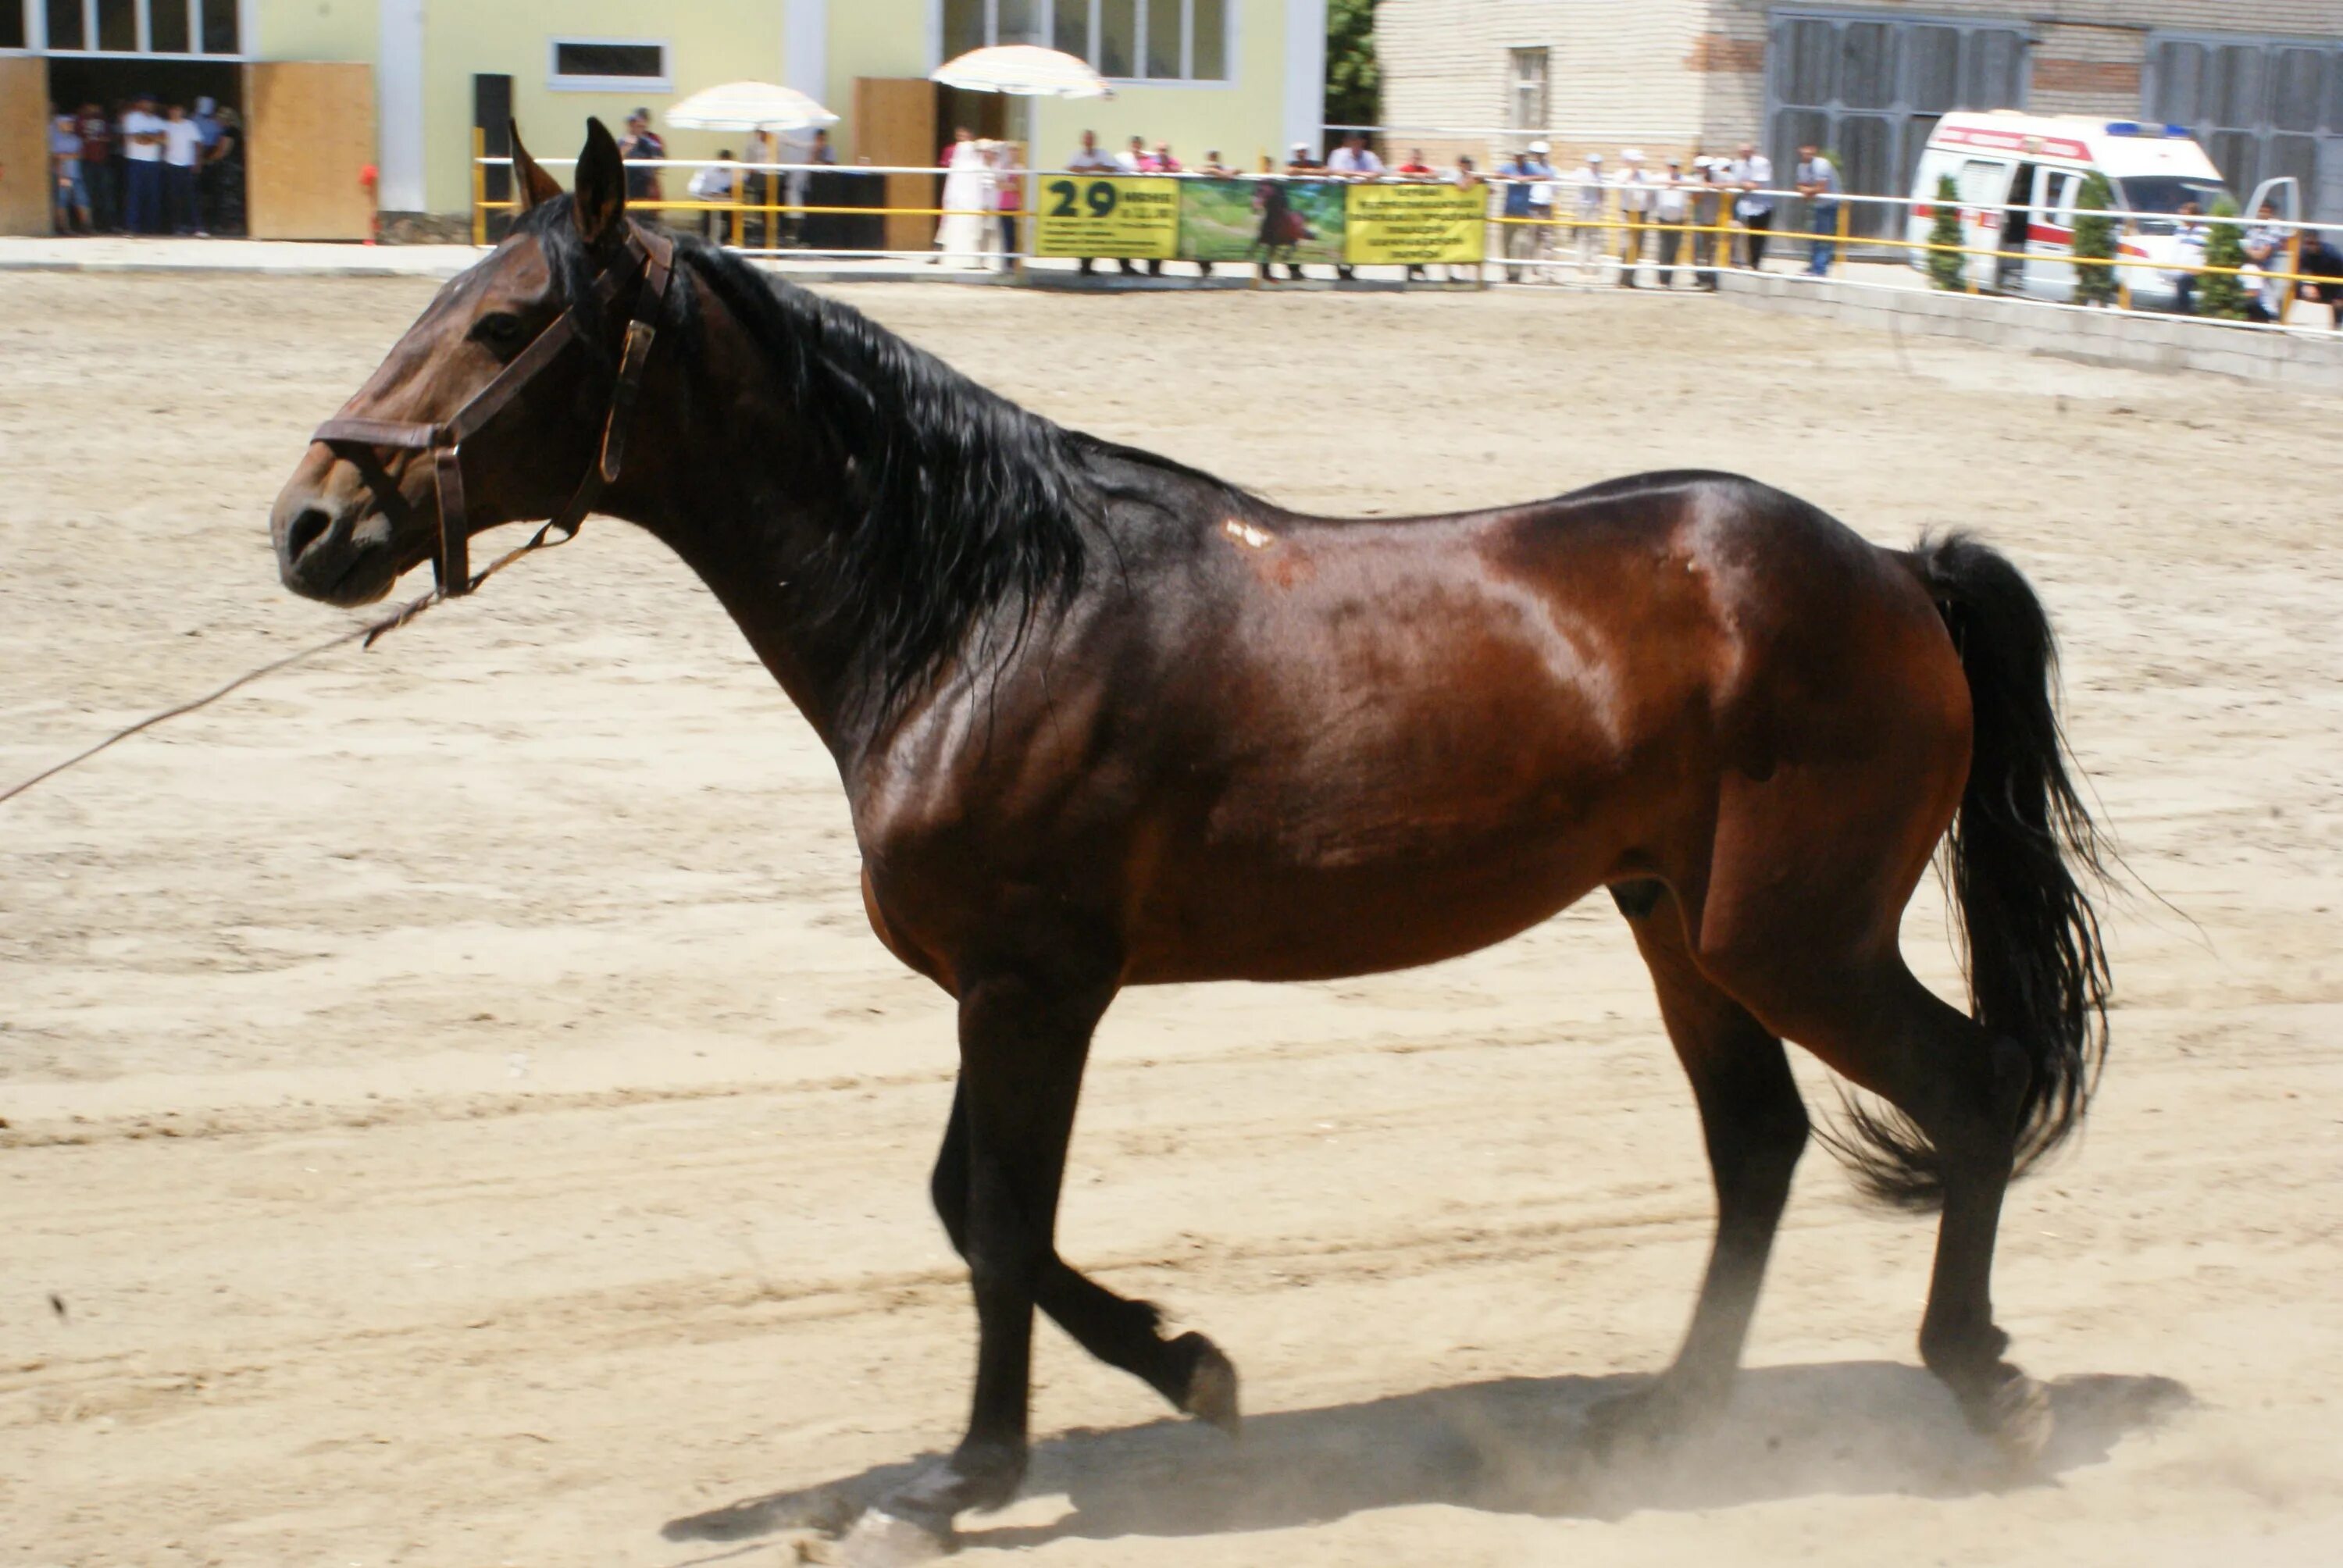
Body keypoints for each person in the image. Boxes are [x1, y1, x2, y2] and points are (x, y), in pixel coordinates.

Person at [1325, 133, 1382, 278]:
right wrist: (1361, 175)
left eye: (1358, 141)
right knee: (1340, 234)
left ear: (1362, 142)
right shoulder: (1338, 154)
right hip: (1341, 200)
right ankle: (1339, 266)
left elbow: (1378, 172)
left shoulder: (1369, 156)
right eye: (1352, 141)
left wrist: (1356, 175)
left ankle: (1350, 268)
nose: (1355, 144)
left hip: (1360, 203)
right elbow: (1335, 171)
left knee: (1356, 234)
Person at [934, 127, 992, 269]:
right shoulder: (975, 166)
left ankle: (960, 259)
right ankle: (970, 260)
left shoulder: (963, 167)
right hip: (969, 206)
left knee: (963, 232)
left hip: (961, 206)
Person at [1065, 130, 1118, 276]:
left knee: (1099, 232)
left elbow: (1113, 168)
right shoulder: (1076, 154)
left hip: (1100, 199)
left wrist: (1100, 167)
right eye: (1086, 139)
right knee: (1084, 232)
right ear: (1083, 141)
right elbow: (1070, 168)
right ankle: (1084, 265)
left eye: (1091, 139)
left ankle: (1090, 265)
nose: (1088, 142)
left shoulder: (1103, 154)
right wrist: (1090, 168)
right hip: (1081, 199)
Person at [119, 93, 165, 235]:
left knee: (153, 195)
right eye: (145, 103)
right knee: (135, 195)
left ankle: (151, 227)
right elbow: (136, 138)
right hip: (136, 160)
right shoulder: (132, 118)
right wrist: (153, 137)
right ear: (139, 104)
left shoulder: (159, 120)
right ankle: (132, 227)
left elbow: (164, 139)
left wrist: (146, 136)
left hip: (154, 162)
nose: (148, 105)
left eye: (150, 103)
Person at [1796, 142, 1842, 276]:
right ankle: (1814, 266)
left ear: (1814, 151)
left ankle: (1819, 269)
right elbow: (1800, 185)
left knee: (1823, 237)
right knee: (1816, 236)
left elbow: (1821, 188)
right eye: (1804, 151)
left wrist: (1808, 191)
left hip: (1829, 203)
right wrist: (1808, 190)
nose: (1806, 154)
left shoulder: (1822, 164)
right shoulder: (1802, 166)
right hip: (1817, 204)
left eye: (1809, 151)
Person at [1728, 141, 1774, 269]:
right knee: (1736, 232)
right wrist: (1741, 184)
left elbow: (1755, 185)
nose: (1744, 153)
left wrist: (1740, 184)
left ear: (1753, 151)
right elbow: (1735, 182)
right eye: (1742, 151)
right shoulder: (1738, 164)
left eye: (1747, 150)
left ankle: (1755, 264)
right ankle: (1737, 261)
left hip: (1761, 206)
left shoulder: (1761, 163)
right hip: (1744, 204)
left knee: (1757, 237)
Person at [2241, 201, 2289, 323]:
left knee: (2264, 297)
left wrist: (2249, 251)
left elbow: (2261, 255)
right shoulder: (2254, 227)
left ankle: (2271, 317)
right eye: (2260, 210)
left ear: (2271, 213)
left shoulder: (2274, 227)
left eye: (2265, 211)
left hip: (2268, 267)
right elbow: (2246, 245)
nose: (2262, 213)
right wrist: (2250, 251)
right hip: (2252, 267)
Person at [161, 102, 203, 236]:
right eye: (173, 110)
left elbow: (198, 144)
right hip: (171, 164)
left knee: (190, 197)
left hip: (187, 165)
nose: (175, 112)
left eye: (178, 109)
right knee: (174, 198)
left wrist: (197, 162)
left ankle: (197, 227)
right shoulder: (165, 126)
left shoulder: (190, 125)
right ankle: (177, 227)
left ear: (183, 111)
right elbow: (161, 144)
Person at [1614, 148, 1653, 287]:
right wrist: (1632, 172)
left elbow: (1650, 190)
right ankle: (1623, 278)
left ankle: (1632, 278)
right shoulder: (1621, 173)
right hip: (1627, 213)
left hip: (1642, 213)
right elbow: (1620, 186)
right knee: (1626, 245)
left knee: (1638, 246)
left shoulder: (1645, 174)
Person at [203, 105, 245, 235]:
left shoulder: (229, 132)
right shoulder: (238, 131)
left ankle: (229, 226)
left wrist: (207, 160)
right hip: (236, 167)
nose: (217, 122)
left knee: (227, 196)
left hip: (229, 169)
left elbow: (222, 151)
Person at [1497, 146, 1536, 282]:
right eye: (1517, 156)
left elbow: (1544, 176)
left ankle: (1517, 272)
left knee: (1520, 243)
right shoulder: (1509, 167)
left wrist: (1527, 178)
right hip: (1508, 211)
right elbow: (1497, 174)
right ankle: (1509, 272)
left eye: (1521, 157)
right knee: (1507, 243)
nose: (1519, 159)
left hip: (1522, 213)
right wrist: (1512, 177)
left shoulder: (1529, 168)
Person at [49, 112, 92, 234]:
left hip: (76, 175)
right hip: (62, 175)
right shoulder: (54, 140)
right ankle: (63, 228)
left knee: (82, 200)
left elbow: (80, 155)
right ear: (60, 124)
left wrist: (65, 156)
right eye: (67, 123)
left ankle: (87, 226)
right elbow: (55, 158)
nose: (70, 125)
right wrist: (61, 175)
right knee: (61, 202)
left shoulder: (76, 139)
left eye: (71, 123)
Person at [1652, 155, 1691, 288]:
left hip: (1679, 220)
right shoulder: (1661, 177)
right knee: (1664, 249)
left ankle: (1669, 279)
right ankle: (1662, 279)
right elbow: (1650, 182)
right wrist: (1666, 183)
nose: (1673, 169)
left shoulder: (1683, 179)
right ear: (1667, 167)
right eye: (1671, 166)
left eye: (1676, 167)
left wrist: (1677, 184)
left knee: (1674, 250)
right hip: (1663, 219)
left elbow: (1696, 183)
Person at [77, 103, 116, 232]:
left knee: (106, 193)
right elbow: (76, 137)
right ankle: (90, 224)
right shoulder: (80, 120)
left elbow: (110, 137)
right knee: (89, 193)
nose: (94, 109)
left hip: (103, 161)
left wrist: (104, 139)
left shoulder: (104, 120)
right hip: (87, 161)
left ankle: (109, 224)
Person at [1568, 148, 1605, 283]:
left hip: (1594, 207)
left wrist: (1601, 206)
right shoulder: (1582, 172)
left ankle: (1594, 263)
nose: (1594, 165)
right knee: (1583, 236)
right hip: (1583, 207)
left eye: (1597, 163)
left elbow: (1601, 192)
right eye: (1592, 163)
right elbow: (1572, 180)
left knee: (1594, 236)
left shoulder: (1600, 176)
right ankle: (1581, 264)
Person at [686, 149, 738, 241]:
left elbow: (740, 187)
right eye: (723, 160)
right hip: (708, 200)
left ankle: (728, 239)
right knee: (708, 219)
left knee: (734, 216)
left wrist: (728, 194)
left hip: (726, 202)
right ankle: (706, 239)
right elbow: (693, 187)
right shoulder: (707, 170)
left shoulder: (735, 172)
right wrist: (708, 193)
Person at [1691, 156, 1725, 290]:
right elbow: (1694, 198)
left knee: (1712, 250)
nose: (1705, 170)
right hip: (1700, 219)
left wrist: (1714, 186)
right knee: (1698, 250)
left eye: (1707, 167)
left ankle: (1712, 279)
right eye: (1702, 168)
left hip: (1715, 219)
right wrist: (1701, 187)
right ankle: (1700, 278)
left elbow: (1734, 183)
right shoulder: (1695, 179)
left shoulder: (1720, 176)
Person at [619, 109, 665, 207]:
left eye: (641, 127)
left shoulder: (649, 144)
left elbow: (659, 163)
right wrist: (626, 149)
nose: (638, 129)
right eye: (635, 125)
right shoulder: (621, 143)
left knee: (641, 215)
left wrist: (652, 183)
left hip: (643, 186)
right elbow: (613, 163)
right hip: (625, 185)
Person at [992, 140, 1022, 269]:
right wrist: (1012, 186)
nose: (1013, 153)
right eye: (1011, 150)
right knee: (1004, 235)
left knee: (1013, 236)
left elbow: (1021, 186)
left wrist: (1012, 186)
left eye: (1016, 150)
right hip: (1003, 205)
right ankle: (1004, 263)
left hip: (1016, 205)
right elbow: (999, 184)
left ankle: (1011, 263)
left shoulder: (1020, 167)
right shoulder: (1000, 166)